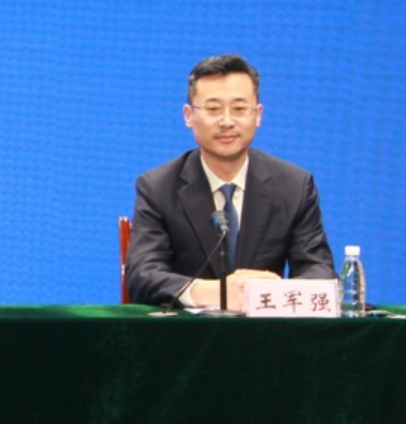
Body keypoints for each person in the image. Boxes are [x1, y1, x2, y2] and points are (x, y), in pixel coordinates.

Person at [126, 54, 335, 311]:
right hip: (187, 333)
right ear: (189, 115)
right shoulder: (158, 187)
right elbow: (142, 276)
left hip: (266, 331)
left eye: (239, 109)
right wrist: (216, 292)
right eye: (213, 109)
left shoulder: (294, 186)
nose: (227, 122)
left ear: (257, 115)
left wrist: (269, 292)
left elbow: (320, 271)